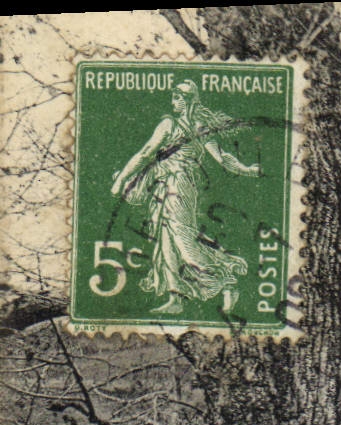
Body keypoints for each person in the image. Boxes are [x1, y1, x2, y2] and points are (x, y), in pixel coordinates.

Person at [110, 80, 259, 315]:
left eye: (177, 98)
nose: (173, 102)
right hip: (166, 185)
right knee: (166, 240)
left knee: (182, 240)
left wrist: (121, 180)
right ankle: (175, 297)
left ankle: (226, 282)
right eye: (173, 97)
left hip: (178, 185)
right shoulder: (188, 124)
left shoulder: (175, 125)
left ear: (188, 100)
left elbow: (148, 152)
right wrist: (245, 169)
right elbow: (148, 152)